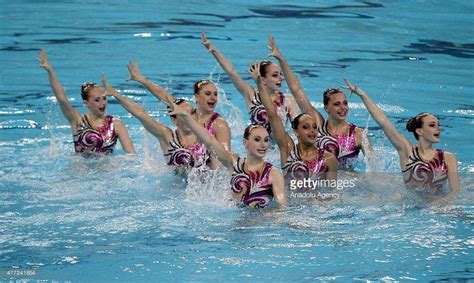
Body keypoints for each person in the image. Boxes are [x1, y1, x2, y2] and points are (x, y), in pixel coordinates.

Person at [344, 79, 460, 200]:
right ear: (419, 131)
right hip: (412, 207)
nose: (438, 128)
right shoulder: (407, 152)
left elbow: (455, 191)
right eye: (432, 125)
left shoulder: (448, 158)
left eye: (438, 124)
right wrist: (362, 94)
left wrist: (440, 205)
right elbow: (383, 121)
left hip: (439, 207)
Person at [266, 36, 371, 169]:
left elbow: (373, 168)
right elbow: (297, 90)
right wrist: (281, 58)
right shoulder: (317, 127)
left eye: (345, 103)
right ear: (326, 107)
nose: (343, 108)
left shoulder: (358, 134)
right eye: (337, 104)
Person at [167, 96, 287, 208]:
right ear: (246, 142)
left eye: (266, 140)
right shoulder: (233, 163)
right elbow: (210, 141)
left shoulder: (273, 174)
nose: (263, 145)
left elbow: (281, 209)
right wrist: (185, 116)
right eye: (257, 140)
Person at [249, 62, 337, 193]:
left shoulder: (328, 158)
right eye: (305, 127)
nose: (312, 131)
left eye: (314, 127)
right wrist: (259, 84)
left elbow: (333, 192)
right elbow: (273, 115)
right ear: (296, 132)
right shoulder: (289, 150)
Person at [125, 61, 231, 168]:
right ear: (197, 97)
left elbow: (226, 159)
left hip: (205, 179)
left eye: (215, 94)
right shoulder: (185, 114)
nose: (213, 98)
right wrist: (142, 80)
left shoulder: (219, 124)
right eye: (207, 94)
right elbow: (165, 96)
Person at [101, 75, 211, 173]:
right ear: (174, 120)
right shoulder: (167, 136)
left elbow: (167, 98)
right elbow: (141, 113)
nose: (189, 117)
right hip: (177, 190)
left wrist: (143, 80)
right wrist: (116, 94)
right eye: (183, 115)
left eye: (192, 113)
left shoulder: (204, 131)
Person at [39, 49, 135, 155]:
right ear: (86, 103)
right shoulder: (78, 121)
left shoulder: (116, 124)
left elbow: (131, 154)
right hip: (81, 169)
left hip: (107, 169)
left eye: (104, 98)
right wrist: (50, 71)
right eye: (97, 100)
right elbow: (62, 98)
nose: (102, 103)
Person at [201, 32, 298, 135]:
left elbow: (297, 129)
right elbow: (231, 72)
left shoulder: (288, 100)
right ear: (263, 79)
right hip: (257, 147)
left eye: (280, 74)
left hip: (278, 149)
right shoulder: (251, 95)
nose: (281, 78)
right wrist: (213, 50)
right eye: (275, 75)